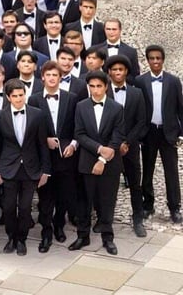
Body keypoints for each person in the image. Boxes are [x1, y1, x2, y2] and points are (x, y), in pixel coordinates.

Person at [0, 79, 50, 256]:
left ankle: (21, 239)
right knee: (8, 207)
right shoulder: (0, 116)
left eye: (21, 95)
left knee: (25, 207)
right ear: (8, 97)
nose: (18, 99)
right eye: (14, 96)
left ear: (25, 94)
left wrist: (45, 171)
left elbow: (42, 145)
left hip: (31, 168)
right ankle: (11, 238)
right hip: (8, 168)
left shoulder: (37, 115)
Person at [69, 71, 124, 255]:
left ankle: (108, 238)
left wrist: (103, 158)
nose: (96, 90)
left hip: (110, 163)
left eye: (99, 86)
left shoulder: (116, 108)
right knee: (84, 201)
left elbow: (117, 137)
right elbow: (79, 134)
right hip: (86, 161)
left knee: (107, 201)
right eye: (92, 86)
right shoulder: (81, 106)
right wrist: (99, 149)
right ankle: (82, 236)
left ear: (106, 87)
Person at [28, 61, 78, 251]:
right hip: (44, 157)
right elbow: (31, 130)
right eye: (48, 75)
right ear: (42, 77)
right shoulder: (33, 99)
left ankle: (59, 225)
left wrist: (73, 145)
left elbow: (77, 126)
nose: (51, 78)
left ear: (60, 78)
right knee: (45, 196)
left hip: (66, 156)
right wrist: (45, 139)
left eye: (54, 75)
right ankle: (46, 232)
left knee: (63, 195)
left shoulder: (71, 98)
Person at [135, 45, 183, 224]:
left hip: (168, 132)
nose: (155, 61)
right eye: (152, 58)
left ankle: (175, 207)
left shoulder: (173, 81)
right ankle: (148, 204)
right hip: (148, 132)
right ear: (147, 60)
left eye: (158, 58)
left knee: (171, 172)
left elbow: (180, 108)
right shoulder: (140, 81)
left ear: (163, 60)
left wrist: (181, 134)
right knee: (147, 171)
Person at [105, 55, 148, 237]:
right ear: (109, 72)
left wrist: (127, 142)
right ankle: (104, 220)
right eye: (114, 69)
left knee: (135, 184)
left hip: (130, 147)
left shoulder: (136, 93)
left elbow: (141, 121)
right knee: (108, 185)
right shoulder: (103, 93)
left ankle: (138, 218)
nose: (117, 72)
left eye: (120, 69)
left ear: (126, 72)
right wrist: (115, 144)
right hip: (109, 146)